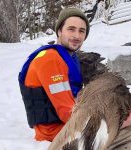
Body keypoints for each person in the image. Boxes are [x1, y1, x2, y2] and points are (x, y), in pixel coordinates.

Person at [18, 7, 90, 141]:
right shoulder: (50, 59)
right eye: (71, 29)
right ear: (59, 31)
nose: (76, 36)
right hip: (54, 133)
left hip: (67, 126)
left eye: (82, 31)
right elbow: (66, 112)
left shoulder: (67, 57)